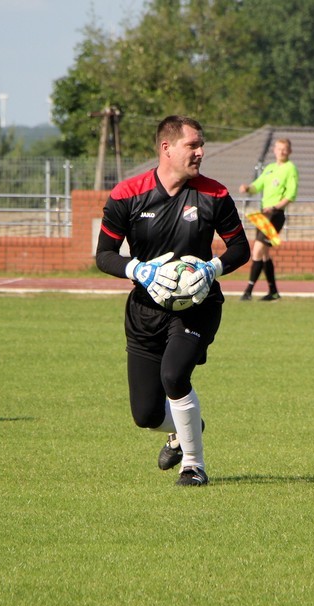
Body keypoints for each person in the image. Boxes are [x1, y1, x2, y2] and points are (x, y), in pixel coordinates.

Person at [95, 115, 250, 487]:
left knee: (174, 375)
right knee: (146, 414)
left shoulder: (214, 194)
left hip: (198, 307)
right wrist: (138, 270)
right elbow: (104, 254)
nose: (200, 152)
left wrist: (213, 268)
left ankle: (193, 466)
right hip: (145, 312)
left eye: (201, 145)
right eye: (192, 145)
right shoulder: (127, 194)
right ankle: (187, 425)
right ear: (166, 148)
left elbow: (240, 247)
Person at [238, 138, 299, 301]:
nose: (281, 152)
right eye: (279, 148)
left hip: (275, 215)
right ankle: (273, 292)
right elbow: (257, 185)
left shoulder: (290, 168)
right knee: (264, 254)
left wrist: (275, 207)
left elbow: (290, 195)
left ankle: (248, 291)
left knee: (257, 250)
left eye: (284, 149)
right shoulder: (270, 168)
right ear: (274, 150)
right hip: (263, 214)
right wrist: (248, 188)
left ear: (290, 151)